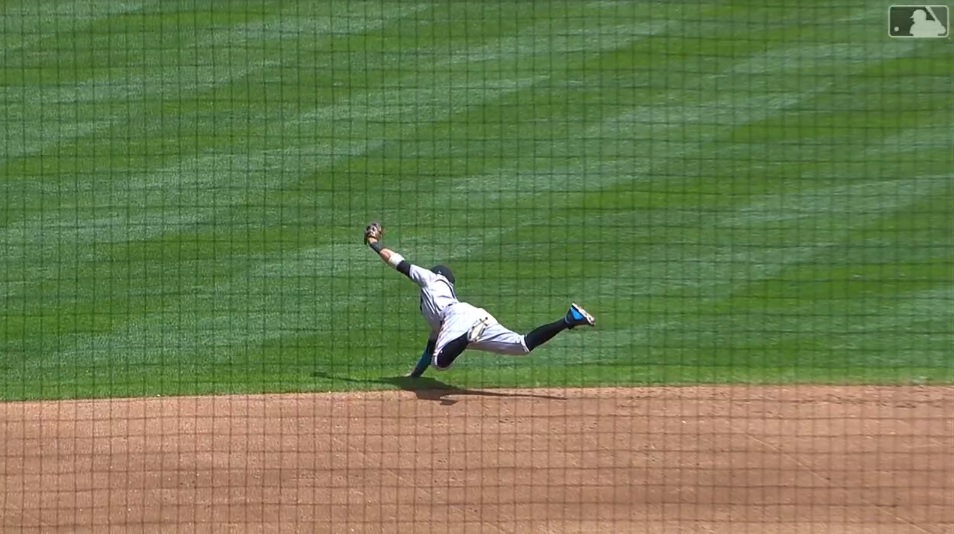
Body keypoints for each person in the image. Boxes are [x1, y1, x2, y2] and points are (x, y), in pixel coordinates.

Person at [362, 222, 595, 377]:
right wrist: (415, 375)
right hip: (475, 316)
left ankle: (468, 336)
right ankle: (569, 319)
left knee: (440, 363)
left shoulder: (432, 279)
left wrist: (374, 243)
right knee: (522, 345)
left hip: (459, 319)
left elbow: (397, 262)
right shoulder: (439, 304)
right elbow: (432, 343)